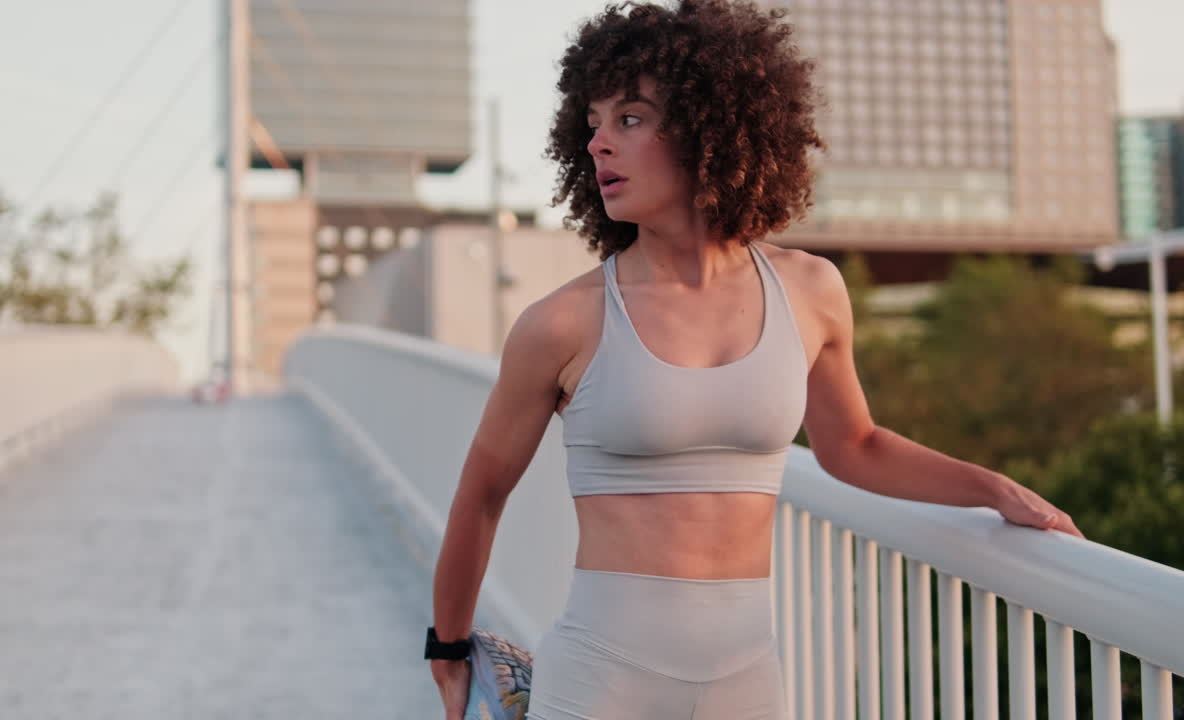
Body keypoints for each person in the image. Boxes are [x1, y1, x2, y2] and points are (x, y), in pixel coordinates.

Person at [428, 1, 1083, 717]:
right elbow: (482, 492)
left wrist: (993, 490)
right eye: (592, 125)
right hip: (598, 682)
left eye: (631, 118)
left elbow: (854, 446)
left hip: (749, 682)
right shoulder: (562, 321)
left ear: (711, 125)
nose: (599, 146)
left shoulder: (811, 291)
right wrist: (450, 648)